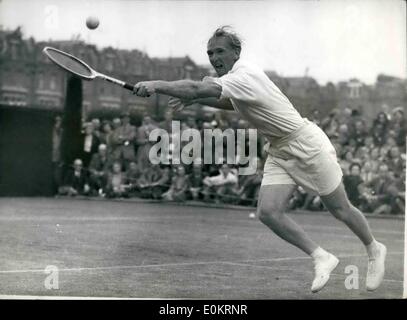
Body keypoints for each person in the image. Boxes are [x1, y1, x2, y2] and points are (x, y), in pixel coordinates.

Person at [132, 26, 386, 292]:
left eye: (220, 51)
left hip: (306, 144)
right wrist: (197, 100)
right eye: (210, 52)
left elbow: (197, 87)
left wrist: (157, 85)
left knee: (339, 208)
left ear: (236, 52)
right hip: (279, 149)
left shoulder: (246, 73)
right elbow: (233, 103)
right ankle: (322, 256)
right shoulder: (236, 79)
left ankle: (373, 248)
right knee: (268, 212)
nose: (214, 57)